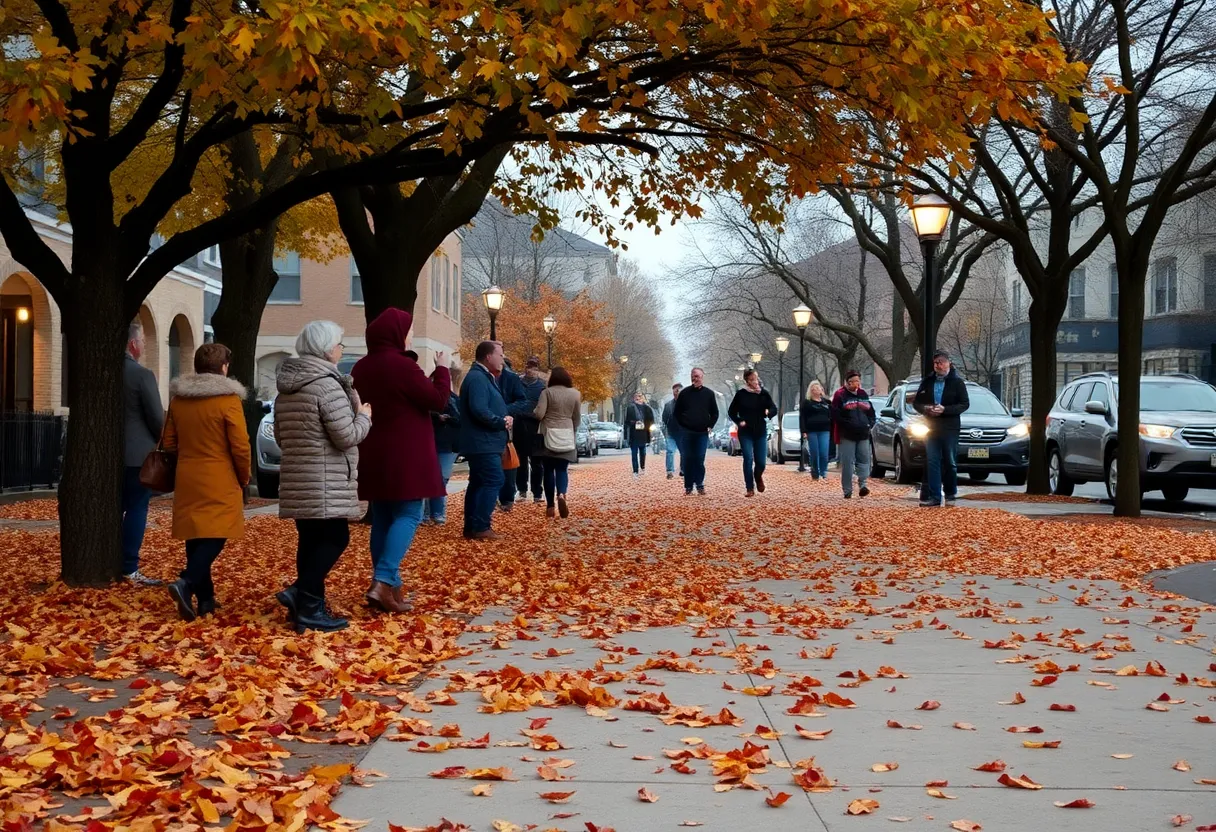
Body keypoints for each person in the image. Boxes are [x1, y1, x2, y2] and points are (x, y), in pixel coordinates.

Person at [272, 320, 372, 632]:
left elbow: (281, 437)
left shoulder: (287, 389)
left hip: (298, 477)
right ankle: (302, 595)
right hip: (326, 479)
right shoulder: (327, 386)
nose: (341, 349)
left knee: (310, 542)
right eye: (339, 344)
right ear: (327, 349)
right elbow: (346, 436)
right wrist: (364, 416)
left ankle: (307, 607)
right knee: (336, 538)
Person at [352, 309, 451, 611]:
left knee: (382, 516)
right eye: (408, 331)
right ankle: (383, 580)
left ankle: (388, 588)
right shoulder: (403, 366)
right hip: (405, 452)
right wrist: (443, 370)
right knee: (409, 513)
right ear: (397, 334)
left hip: (374, 451)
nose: (410, 336)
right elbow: (437, 400)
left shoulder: (361, 367)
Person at [163, 344, 250, 621]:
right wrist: (244, 476)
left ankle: (206, 600)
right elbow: (240, 445)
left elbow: (169, 442)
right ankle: (187, 581)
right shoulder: (228, 400)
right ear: (224, 367)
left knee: (196, 536)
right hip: (219, 476)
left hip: (188, 475)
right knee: (216, 534)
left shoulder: (180, 400)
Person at [121, 320, 164, 586]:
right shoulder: (142, 375)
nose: (145, 346)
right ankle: (129, 566)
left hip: (108, 456)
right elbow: (157, 418)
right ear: (133, 344)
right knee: (137, 508)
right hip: (137, 456)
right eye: (143, 342)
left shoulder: (102, 373)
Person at [460, 341, 514, 540]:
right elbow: (479, 409)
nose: (502, 360)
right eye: (500, 355)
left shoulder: (482, 377)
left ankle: (472, 526)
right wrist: (500, 422)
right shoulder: (477, 378)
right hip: (483, 442)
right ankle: (481, 526)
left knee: (478, 482)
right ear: (488, 356)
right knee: (494, 479)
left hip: (483, 441)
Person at [913, 349, 971, 507]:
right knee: (933, 461)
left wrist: (945, 409)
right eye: (936, 363)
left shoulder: (957, 383)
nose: (938, 366)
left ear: (948, 363)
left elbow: (964, 404)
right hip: (931, 427)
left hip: (950, 428)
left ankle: (950, 492)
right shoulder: (928, 381)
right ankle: (935, 496)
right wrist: (926, 409)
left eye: (941, 362)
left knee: (950, 461)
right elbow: (917, 402)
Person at [533, 366, 581, 519]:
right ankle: (561, 494)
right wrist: (571, 428)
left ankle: (550, 506)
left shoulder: (547, 393)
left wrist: (535, 412)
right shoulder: (575, 394)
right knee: (562, 469)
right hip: (566, 434)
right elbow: (577, 418)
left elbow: (539, 414)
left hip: (548, 434)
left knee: (548, 470)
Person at [727, 368, 777, 497]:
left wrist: (768, 412)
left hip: (760, 430)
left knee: (761, 462)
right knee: (748, 458)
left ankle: (758, 476)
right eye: (752, 379)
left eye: (756, 378)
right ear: (747, 381)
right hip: (745, 431)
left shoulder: (763, 394)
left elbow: (773, 408)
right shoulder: (741, 394)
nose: (755, 381)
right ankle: (749, 487)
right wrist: (739, 421)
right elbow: (731, 411)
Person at [830, 370, 875, 499]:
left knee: (864, 460)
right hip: (847, 434)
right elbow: (835, 414)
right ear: (848, 382)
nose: (856, 384)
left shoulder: (863, 394)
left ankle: (863, 485)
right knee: (848, 462)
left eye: (858, 381)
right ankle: (847, 490)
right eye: (853, 381)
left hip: (863, 433)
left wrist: (870, 423)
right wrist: (846, 424)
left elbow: (870, 411)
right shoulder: (840, 395)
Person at [426, 366, 462, 526]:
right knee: (432, 478)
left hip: (447, 443)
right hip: (434, 441)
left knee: (441, 479)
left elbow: (459, 419)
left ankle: (436, 512)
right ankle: (431, 512)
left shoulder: (453, 399)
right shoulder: (428, 397)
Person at [673, 367, 719, 495]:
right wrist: (682, 425)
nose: (695, 378)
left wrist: (710, 425)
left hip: (702, 432)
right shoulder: (684, 393)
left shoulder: (709, 394)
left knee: (699, 458)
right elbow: (677, 412)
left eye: (697, 376)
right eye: (693, 376)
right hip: (687, 432)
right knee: (687, 459)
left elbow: (715, 413)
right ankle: (688, 486)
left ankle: (699, 484)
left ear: (702, 377)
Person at [509, 357, 546, 503]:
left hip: (535, 426)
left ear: (537, 369)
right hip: (519, 425)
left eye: (534, 367)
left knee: (537, 462)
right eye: (529, 366)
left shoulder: (542, 386)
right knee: (521, 461)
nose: (530, 370)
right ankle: (522, 490)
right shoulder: (517, 382)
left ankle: (537, 493)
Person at [496, 357, 529, 512]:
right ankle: (502, 497)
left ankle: (506, 497)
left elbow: (522, 401)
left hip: (508, 427)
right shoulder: (481, 377)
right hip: (491, 425)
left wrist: (504, 411)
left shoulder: (511, 379)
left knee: (508, 462)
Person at [799, 380, 831, 480]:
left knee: (824, 453)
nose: (816, 390)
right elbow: (802, 417)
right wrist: (804, 431)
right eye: (813, 389)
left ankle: (823, 472)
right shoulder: (807, 403)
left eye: (818, 388)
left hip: (824, 430)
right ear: (811, 391)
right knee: (814, 452)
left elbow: (832, 414)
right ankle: (815, 472)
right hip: (812, 430)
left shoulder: (826, 402)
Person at [623, 391, 655, 476]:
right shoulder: (630, 408)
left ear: (643, 398)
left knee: (643, 452)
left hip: (643, 434)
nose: (638, 398)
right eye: (636, 396)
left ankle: (642, 466)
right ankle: (635, 470)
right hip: (634, 434)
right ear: (634, 398)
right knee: (634, 453)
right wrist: (633, 423)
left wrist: (648, 426)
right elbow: (627, 422)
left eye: (640, 396)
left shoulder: (647, 408)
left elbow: (651, 420)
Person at [661, 383, 683, 480]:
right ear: (673, 392)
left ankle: (683, 469)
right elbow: (664, 419)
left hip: (683, 433)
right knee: (670, 451)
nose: (677, 392)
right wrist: (665, 431)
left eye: (679, 390)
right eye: (675, 391)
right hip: (671, 433)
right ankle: (669, 471)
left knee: (684, 452)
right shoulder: (668, 405)